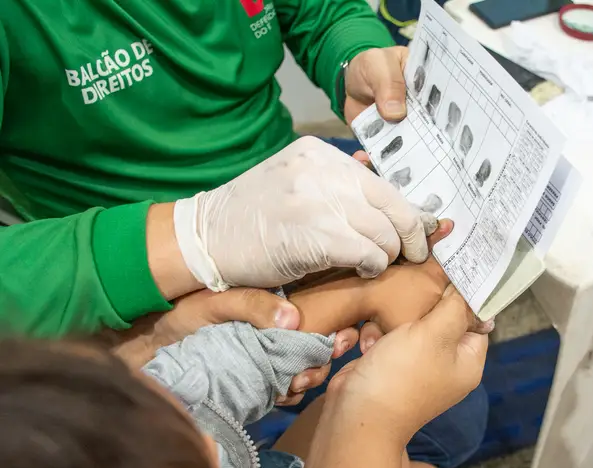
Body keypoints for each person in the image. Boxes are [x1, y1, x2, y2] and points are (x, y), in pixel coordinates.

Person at [0, 273, 493, 468]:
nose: (207, 443)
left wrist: (366, 292)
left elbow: (210, 371)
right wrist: (374, 415)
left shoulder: (121, 433)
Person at [0, 0, 420, 337]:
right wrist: (194, 236)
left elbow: (322, 12)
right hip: (137, 275)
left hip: (296, 168)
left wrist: (352, 56)